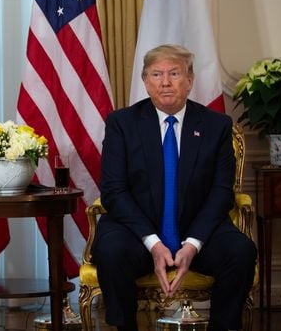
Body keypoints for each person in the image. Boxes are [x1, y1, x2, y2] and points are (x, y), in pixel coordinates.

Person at [92, 45, 256, 331]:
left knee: (241, 252)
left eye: (174, 73)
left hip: (197, 229)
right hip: (137, 232)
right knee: (110, 250)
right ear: (145, 82)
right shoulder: (122, 123)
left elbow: (221, 192)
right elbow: (114, 191)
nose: (165, 82)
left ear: (189, 81)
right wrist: (154, 243)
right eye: (156, 74)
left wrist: (193, 244)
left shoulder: (216, 125)